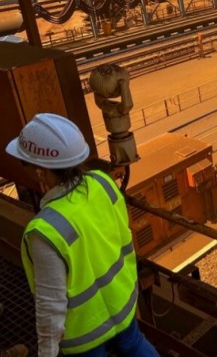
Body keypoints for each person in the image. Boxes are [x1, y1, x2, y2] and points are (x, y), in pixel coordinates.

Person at [5, 113, 159, 357]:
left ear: (41, 172)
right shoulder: (102, 182)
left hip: (85, 334)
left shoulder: (45, 232)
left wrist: (47, 353)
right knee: (135, 345)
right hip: (121, 302)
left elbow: (50, 306)